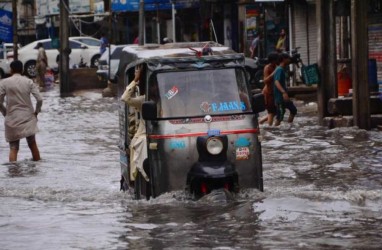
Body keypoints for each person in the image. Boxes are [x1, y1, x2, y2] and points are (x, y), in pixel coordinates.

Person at [0, 60, 43, 162]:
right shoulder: (28, 81)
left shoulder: (4, 82)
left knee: (13, 148)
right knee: (32, 144)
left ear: (11, 70)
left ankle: (14, 173)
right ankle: (37, 169)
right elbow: (40, 99)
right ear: (23, 70)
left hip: (12, 119)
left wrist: (5, 112)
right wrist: (36, 112)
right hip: (28, 117)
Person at [120, 65, 149, 183]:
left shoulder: (168, 98)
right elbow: (125, 98)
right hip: (143, 135)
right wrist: (135, 80)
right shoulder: (143, 100)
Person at [273, 53, 297, 126]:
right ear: (284, 59)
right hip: (280, 97)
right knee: (280, 115)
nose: (289, 60)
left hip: (283, 97)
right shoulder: (279, 69)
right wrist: (283, 92)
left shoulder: (282, 69)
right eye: (288, 58)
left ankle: (289, 127)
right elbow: (276, 82)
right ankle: (275, 130)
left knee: (293, 110)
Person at [259, 52, 279, 125]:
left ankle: (261, 121)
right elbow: (266, 81)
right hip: (269, 93)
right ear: (273, 60)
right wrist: (274, 73)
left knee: (276, 112)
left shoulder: (277, 66)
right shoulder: (267, 67)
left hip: (274, 92)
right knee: (271, 112)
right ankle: (269, 128)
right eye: (277, 59)